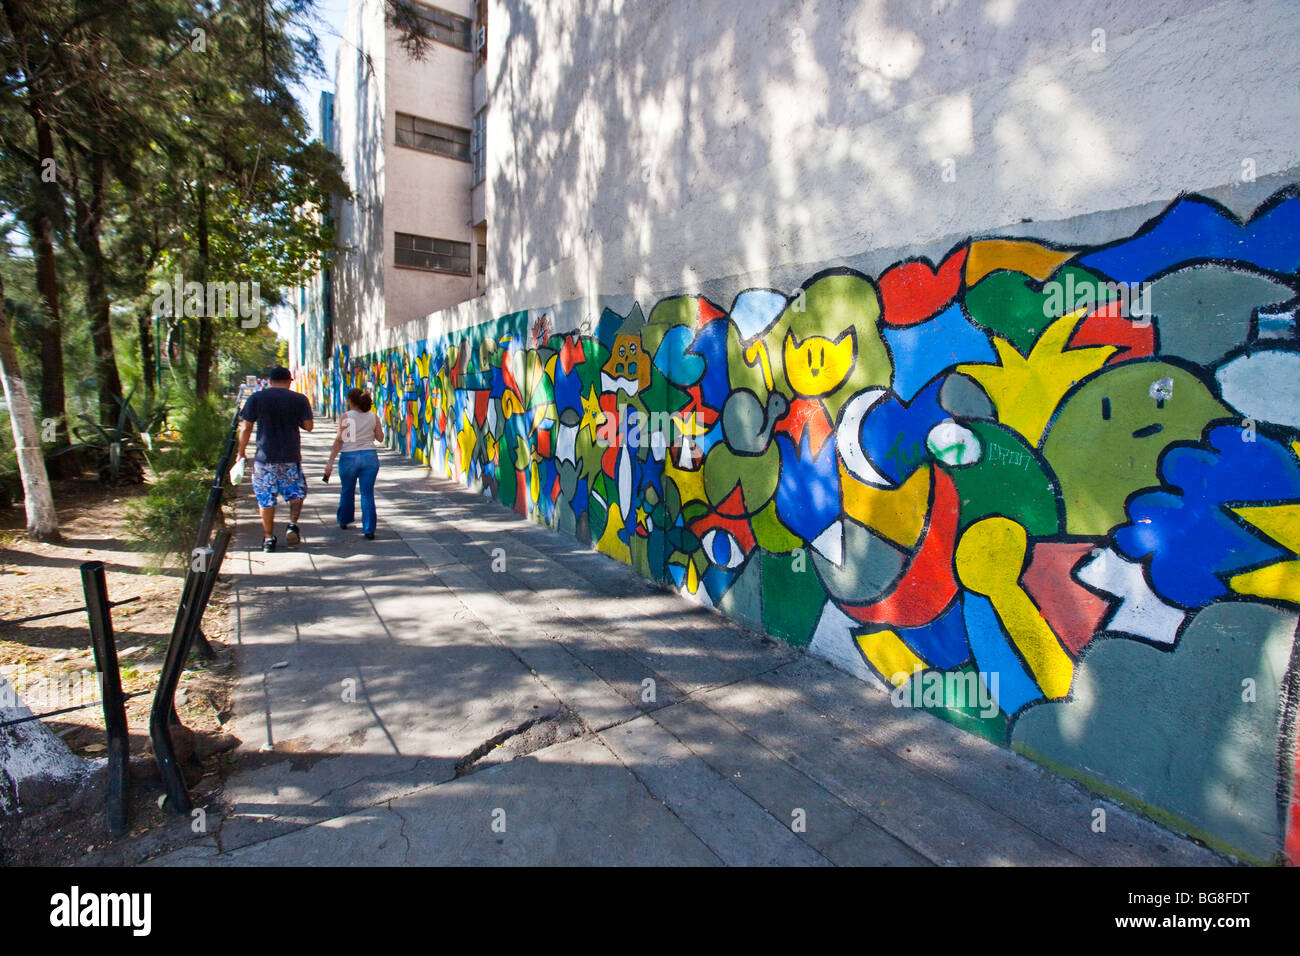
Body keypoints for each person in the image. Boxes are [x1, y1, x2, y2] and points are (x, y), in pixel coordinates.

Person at [236, 366, 314, 552]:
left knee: (266, 498)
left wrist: (241, 452)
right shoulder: (299, 399)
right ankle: (292, 525)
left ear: (269, 381)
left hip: (264, 457)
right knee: (296, 493)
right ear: (289, 381)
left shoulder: (256, 398)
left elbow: (246, 427)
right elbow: (309, 426)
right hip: (290, 455)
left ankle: (269, 538)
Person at [323, 387, 384, 539]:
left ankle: (344, 520)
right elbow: (380, 438)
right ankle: (369, 529)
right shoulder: (373, 417)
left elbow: (340, 440)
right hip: (370, 457)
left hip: (349, 457)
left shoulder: (346, 417)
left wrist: (330, 461)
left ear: (350, 401)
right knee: (367, 494)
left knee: (347, 489)